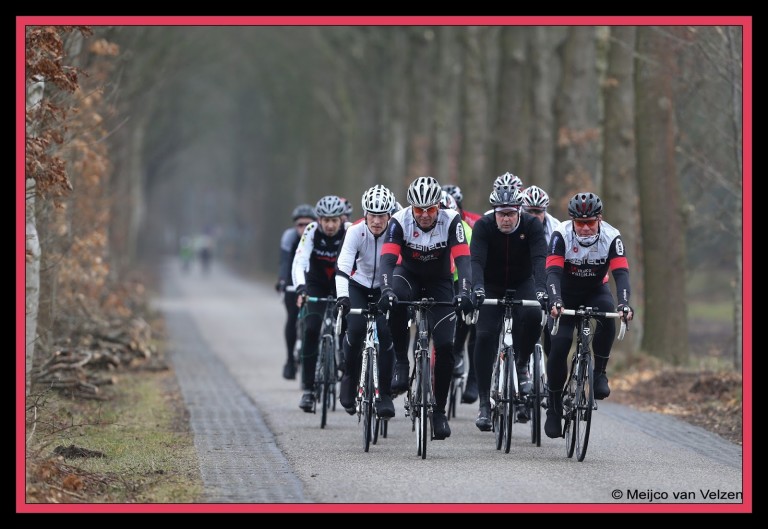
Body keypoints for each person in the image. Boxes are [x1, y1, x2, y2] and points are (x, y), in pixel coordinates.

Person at [377, 176, 474, 441]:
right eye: (419, 209)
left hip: (440, 282)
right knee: (395, 298)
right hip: (407, 275)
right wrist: (385, 290)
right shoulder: (399, 220)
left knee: (445, 346)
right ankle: (400, 360)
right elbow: (386, 261)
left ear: (438, 207)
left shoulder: (452, 220)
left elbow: (464, 262)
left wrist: (465, 291)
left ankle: (439, 411)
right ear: (411, 208)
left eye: (430, 209)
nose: (425, 215)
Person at [544, 192, 634, 438]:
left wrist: (624, 304)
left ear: (599, 219)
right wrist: (555, 300)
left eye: (590, 223)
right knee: (560, 344)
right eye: (579, 223)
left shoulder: (611, 236)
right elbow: (551, 272)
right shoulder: (561, 234)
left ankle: (600, 372)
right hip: (565, 293)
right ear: (572, 220)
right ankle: (553, 408)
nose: (584, 228)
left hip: (596, 291)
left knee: (608, 317)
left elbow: (622, 274)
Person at [469, 186, 548, 431]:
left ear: (519, 212)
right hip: (491, 286)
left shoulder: (532, 226)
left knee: (534, 314)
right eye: (501, 213)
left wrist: (543, 289)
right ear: (494, 212)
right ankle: (484, 403)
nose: (506, 218)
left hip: (522, 282)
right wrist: (477, 289)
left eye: (511, 213)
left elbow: (539, 260)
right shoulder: (483, 226)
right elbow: (476, 261)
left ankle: (522, 364)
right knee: (484, 336)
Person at [335, 185, 398, 418]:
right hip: (358, 284)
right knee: (357, 329)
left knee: (386, 331)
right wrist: (343, 296)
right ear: (366, 214)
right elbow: (343, 268)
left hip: (386, 286)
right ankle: (350, 378)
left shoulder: (395, 231)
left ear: (389, 215)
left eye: (382, 216)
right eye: (372, 215)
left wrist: (393, 293)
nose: (377, 221)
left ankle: (385, 394)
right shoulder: (355, 231)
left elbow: (401, 266)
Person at [292, 195, 348, 412]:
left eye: (334, 220)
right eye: (325, 220)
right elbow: (300, 261)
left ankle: (343, 361)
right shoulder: (311, 231)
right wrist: (301, 288)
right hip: (315, 284)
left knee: (346, 324)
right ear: (319, 219)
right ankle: (308, 389)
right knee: (311, 328)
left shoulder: (350, 230)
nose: (330, 225)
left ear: (341, 219)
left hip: (341, 283)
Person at [439, 190, 479, 404]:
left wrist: (468, 292)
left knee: (467, 313)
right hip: (438, 279)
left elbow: (471, 264)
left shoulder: (466, 229)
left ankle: (461, 354)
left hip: (459, 278)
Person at [276, 203, 317, 380]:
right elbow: (285, 262)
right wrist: (283, 281)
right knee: (292, 318)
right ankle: (289, 361)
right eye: (300, 224)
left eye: (307, 224)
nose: (303, 228)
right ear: (295, 226)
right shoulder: (289, 237)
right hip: (293, 281)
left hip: (313, 279)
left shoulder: (317, 236)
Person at [521, 185, 561, 360]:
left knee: (551, 330)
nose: (535, 216)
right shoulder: (515, 223)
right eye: (530, 211)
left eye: (539, 211)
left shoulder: (556, 228)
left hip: (547, 274)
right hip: (523, 274)